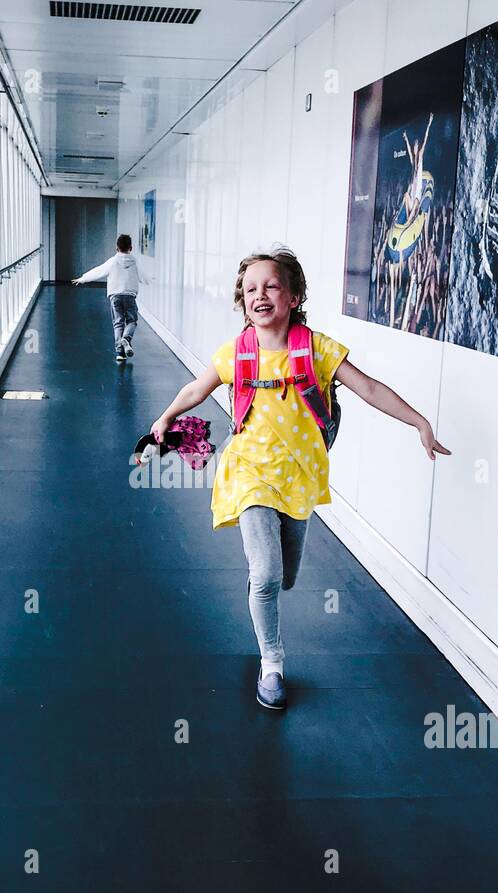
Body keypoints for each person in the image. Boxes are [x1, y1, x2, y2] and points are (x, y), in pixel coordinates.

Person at [149, 246, 451, 711]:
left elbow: (368, 388)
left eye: (271, 286)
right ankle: (272, 663)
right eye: (251, 289)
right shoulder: (235, 354)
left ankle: (262, 584)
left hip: (299, 478)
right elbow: (196, 387)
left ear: (293, 297)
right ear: (242, 301)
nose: (260, 295)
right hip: (248, 472)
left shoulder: (317, 350)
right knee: (266, 573)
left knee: (284, 576)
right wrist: (167, 416)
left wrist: (418, 422)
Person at [73, 233, 149, 361]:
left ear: (116, 248)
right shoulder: (135, 261)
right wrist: (150, 280)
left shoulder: (112, 261)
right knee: (131, 321)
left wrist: (83, 279)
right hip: (130, 295)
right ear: (131, 248)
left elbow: (98, 271)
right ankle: (126, 338)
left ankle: (120, 352)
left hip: (115, 296)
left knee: (118, 323)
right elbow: (143, 277)